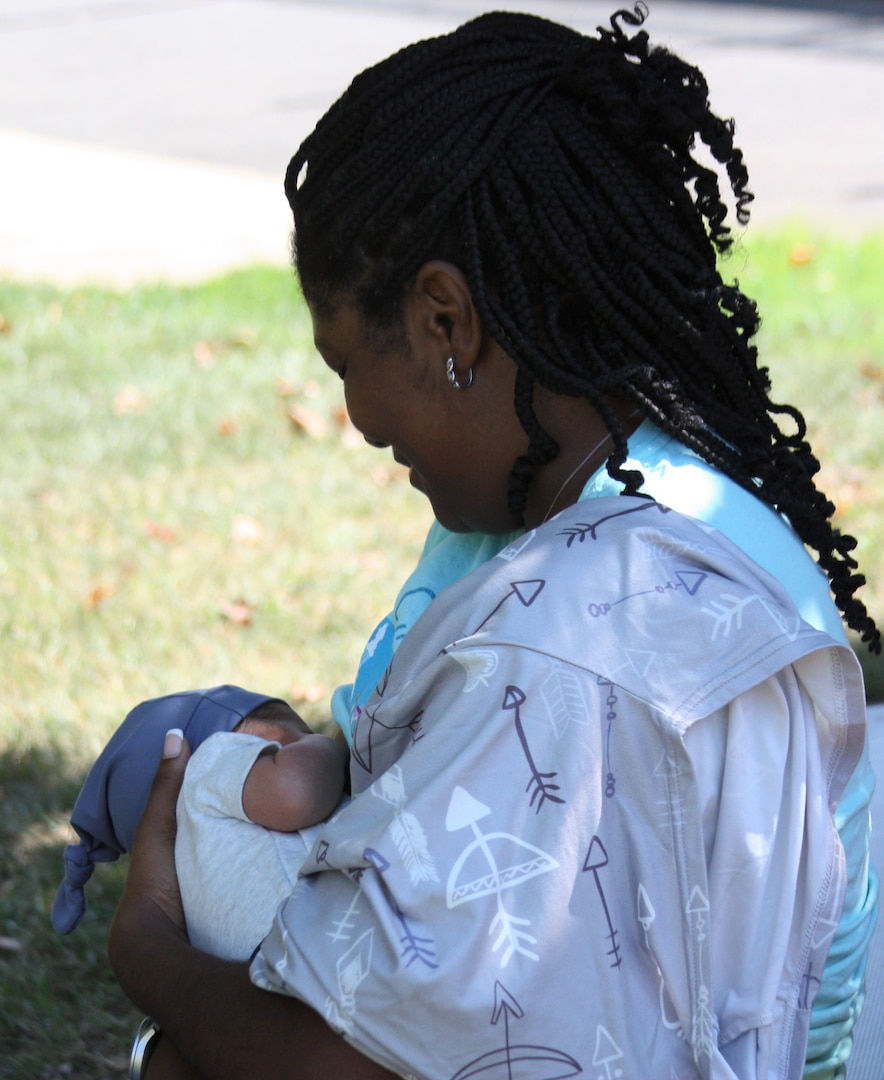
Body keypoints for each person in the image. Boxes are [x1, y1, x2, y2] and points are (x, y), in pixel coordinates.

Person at [106, 7, 880, 1079]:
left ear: (444, 321)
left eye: (344, 366)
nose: (360, 423)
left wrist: (145, 936)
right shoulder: (616, 500)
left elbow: (334, 1061)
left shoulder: (563, 642)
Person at [53, 685, 347, 961]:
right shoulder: (211, 764)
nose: (303, 739)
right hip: (330, 938)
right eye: (297, 732)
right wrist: (326, 745)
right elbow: (296, 790)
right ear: (233, 737)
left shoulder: (193, 929)